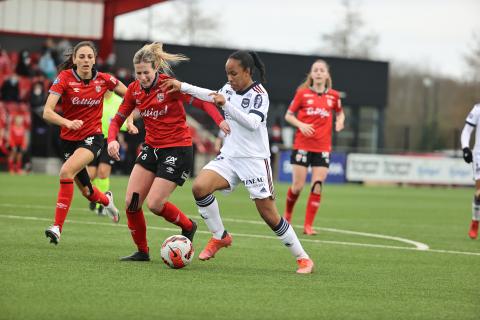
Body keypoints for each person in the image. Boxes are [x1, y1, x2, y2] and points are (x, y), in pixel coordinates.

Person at [161, 50, 315, 274]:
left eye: (233, 74)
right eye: (227, 73)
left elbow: (252, 123)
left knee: (268, 214)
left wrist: (226, 105)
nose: (230, 78)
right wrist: (182, 85)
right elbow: (210, 95)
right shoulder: (227, 89)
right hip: (230, 156)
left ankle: (303, 258)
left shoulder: (259, 94)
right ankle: (220, 236)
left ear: (247, 72)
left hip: (254, 160)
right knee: (200, 187)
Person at [107, 42, 229, 262]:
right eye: (138, 73)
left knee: (155, 204)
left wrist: (220, 121)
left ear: (156, 69)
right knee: (131, 204)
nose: (142, 77)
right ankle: (142, 252)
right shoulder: (134, 90)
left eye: (146, 72)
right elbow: (117, 119)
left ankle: (188, 226)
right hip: (152, 149)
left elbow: (203, 103)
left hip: (177, 149)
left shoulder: (169, 86)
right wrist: (112, 140)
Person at [43, 41, 127, 245]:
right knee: (88, 193)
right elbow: (47, 112)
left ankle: (57, 228)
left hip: (93, 138)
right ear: (74, 60)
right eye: (81, 56)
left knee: (65, 172)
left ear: (95, 59)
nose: (86, 60)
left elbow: (131, 96)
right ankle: (108, 202)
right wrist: (67, 122)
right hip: (68, 140)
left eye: (90, 56)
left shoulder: (105, 79)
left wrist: (129, 117)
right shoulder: (64, 78)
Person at [283, 59, 345, 236]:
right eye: (315, 70)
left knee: (317, 185)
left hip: (323, 147)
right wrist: (300, 125)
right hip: (302, 145)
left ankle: (308, 226)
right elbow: (288, 115)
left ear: (327, 75)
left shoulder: (334, 96)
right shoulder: (302, 94)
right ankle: (287, 215)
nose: (318, 72)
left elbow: (340, 113)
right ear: (311, 74)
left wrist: (340, 122)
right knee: (297, 186)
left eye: (321, 70)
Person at [87, 90, 138, 216]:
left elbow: (123, 121)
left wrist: (128, 126)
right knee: (91, 175)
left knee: (103, 173)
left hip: (109, 140)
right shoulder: (95, 99)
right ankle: (96, 198)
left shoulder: (119, 101)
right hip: (93, 139)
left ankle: (102, 205)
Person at [461, 102, 480, 239]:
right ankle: (475, 221)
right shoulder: (478, 109)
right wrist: (466, 148)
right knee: (479, 193)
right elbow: (467, 130)